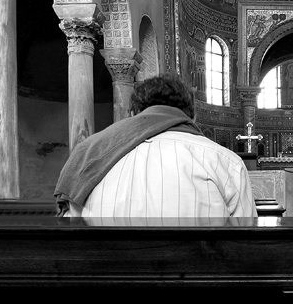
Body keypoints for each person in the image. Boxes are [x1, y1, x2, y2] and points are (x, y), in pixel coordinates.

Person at [54, 74, 257, 219]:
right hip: (197, 276)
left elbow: (68, 223)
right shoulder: (227, 162)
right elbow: (247, 240)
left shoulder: (88, 153)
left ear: (133, 114)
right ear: (192, 116)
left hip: (107, 276)